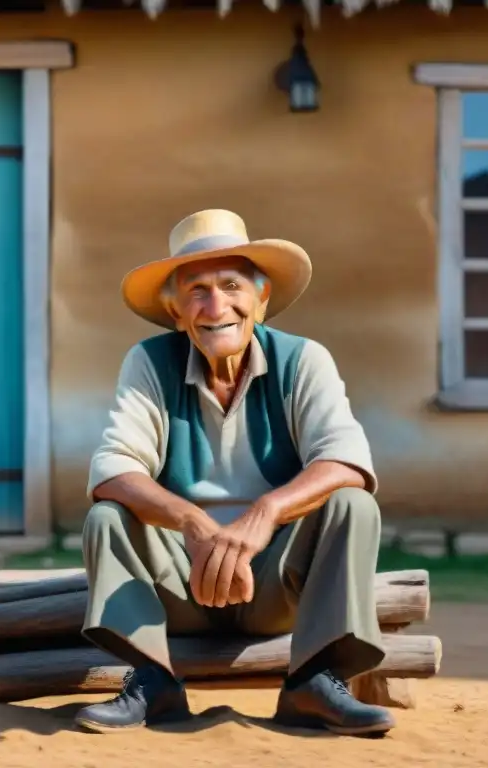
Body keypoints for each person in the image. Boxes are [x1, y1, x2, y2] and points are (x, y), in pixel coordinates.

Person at [75, 209, 392, 737]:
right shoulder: (150, 363)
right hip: (180, 585)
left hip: (275, 585)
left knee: (352, 503)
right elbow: (112, 468)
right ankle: (152, 681)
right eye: (196, 290)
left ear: (260, 300)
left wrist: (264, 514)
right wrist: (194, 525)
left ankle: (315, 680)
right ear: (176, 312)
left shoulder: (304, 360)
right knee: (108, 516)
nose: (215, 305)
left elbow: (347, 459)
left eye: (231, 285)